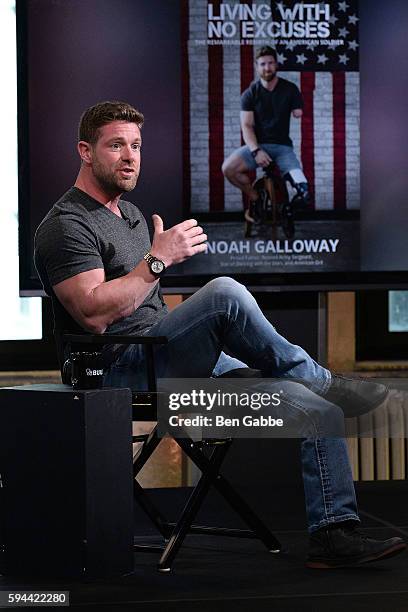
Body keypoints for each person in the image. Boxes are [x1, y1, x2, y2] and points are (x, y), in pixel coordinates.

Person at [34, 101, 405, 569]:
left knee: (317, 409)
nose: (130, 156)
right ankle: (323, 377)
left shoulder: (129, 213)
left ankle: (334, 534)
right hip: (121, 373)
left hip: (166, 359)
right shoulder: (67, 225)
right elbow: (91, 315)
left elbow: (143, 306)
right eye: (116, 146)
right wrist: (157, 259)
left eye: (136, 146)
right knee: (224, 292)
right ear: (85, 151)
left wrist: (153, 262)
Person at [222, 45, 310, 223]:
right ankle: (256, 199)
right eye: (263, 64)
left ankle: (286, 211)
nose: (267, 68)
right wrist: (256, 151)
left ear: (276, 65)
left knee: (304, 191)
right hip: (257, 146)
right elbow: (246, 126)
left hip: (283, 148)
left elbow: (298, 111)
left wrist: (297, 109)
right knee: (228, 169)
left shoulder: (290, 89)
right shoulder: (250, 94)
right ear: (257, 67)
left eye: (270, 63)